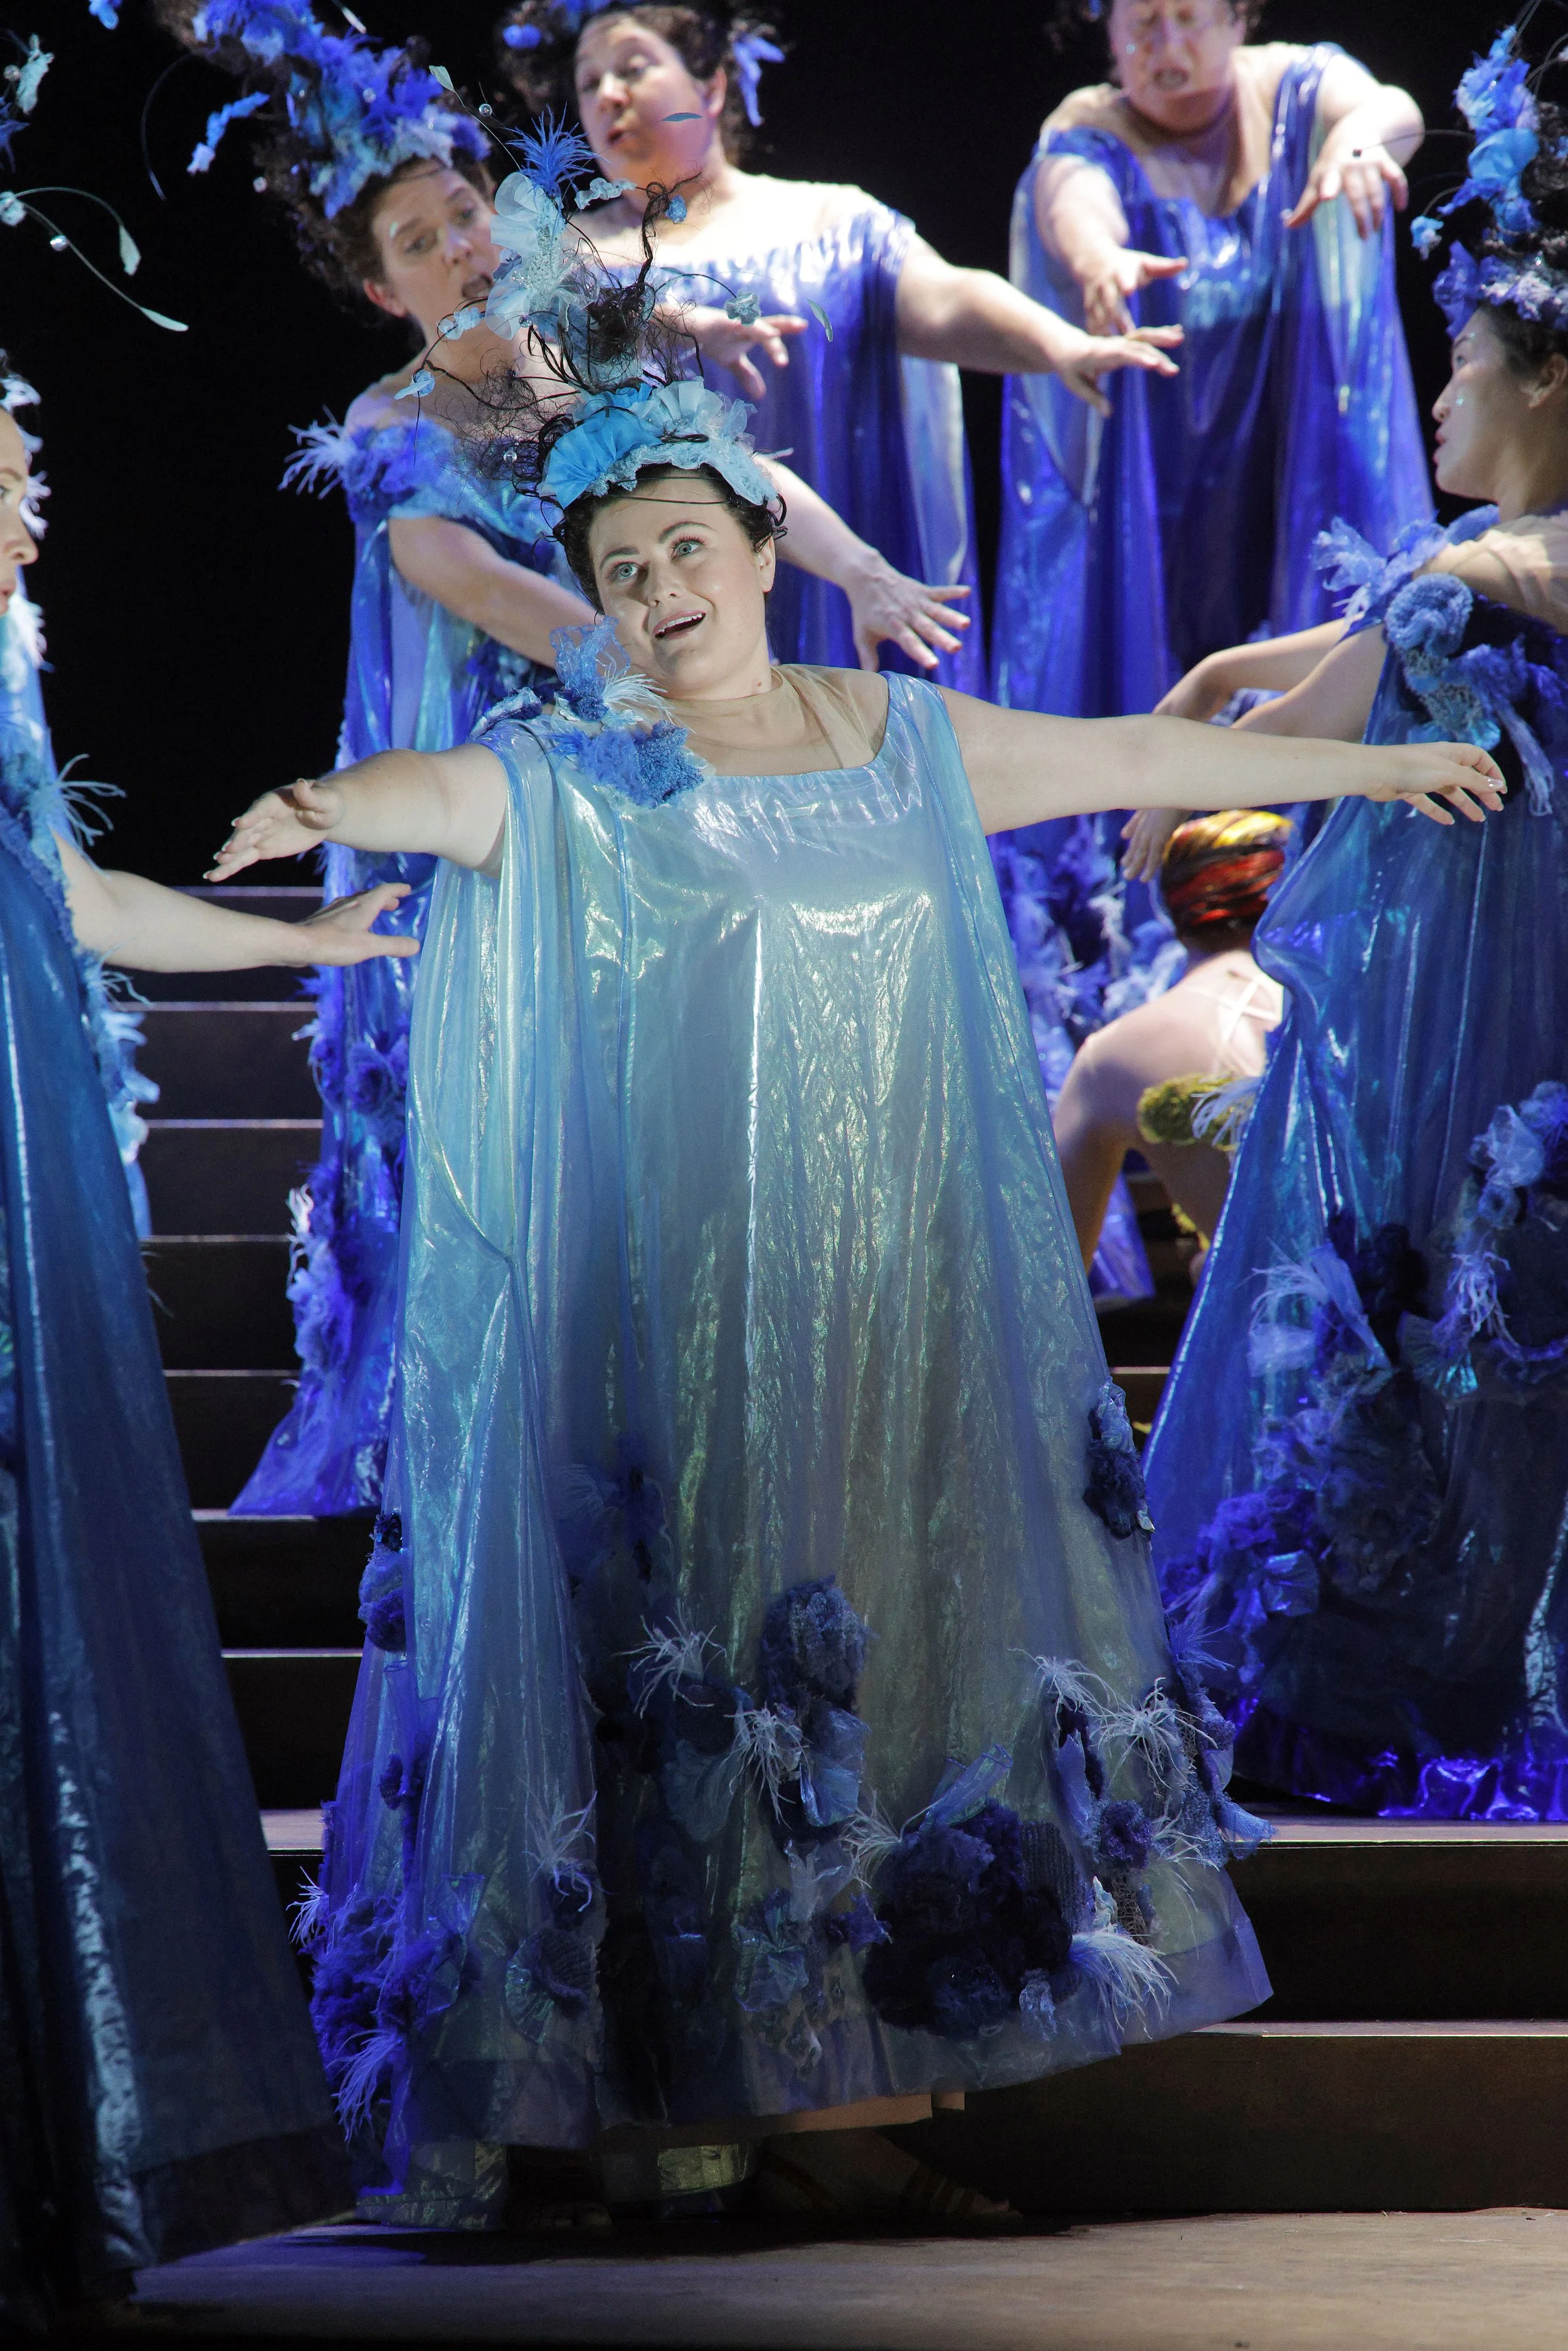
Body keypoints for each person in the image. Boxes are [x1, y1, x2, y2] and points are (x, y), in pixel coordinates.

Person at [208, 155, 1501, 2224]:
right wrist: (322, 801)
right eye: (620, 567)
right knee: (708, 1652)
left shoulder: (893, 731)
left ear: (755, 545)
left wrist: (1378, 771)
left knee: (877, 1650)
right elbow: (451, 791)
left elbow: (1119, 760)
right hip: (681, 1301)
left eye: (685, 550)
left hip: (888, 1289)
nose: (657, 591)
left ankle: (849, 2078)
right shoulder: (596, 766)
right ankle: (703, 2091)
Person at [165, 0, 985, 1517]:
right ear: (377, 283)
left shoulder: (583, 366)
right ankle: (471, 1420)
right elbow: (467, 578)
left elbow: (734, 476)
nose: (460, 251)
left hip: (620, 766)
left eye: (467, 216)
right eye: (419, 241)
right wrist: (616, 660)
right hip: (484, 785)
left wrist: (863, 572)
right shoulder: (389, 417)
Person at [0, 390, 420, 2327]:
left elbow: (74, 905)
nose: (36, 485)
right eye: (14, 462)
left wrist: (309, 948)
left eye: (35, 455)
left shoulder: (8, 655)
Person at [1143, 30, 1568, 1821]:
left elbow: (1280, 744)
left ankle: (1382, 1712)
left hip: (1445, 1046)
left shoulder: (1466, 580)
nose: (1440, 391)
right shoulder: (1501, 573)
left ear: (1542, 379)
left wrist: (1155, 773)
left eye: (1462, 359)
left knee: (1401, 1346)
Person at [987, 0, 1432, 1295]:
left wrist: (1356, 144)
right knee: (1144, 672)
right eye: (1134, 28)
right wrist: (1095, 262)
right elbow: (1068, 197)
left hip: (1297, 456)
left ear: (1237, 16)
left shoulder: (1297, 89)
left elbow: (1383, 105)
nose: (1161, 49)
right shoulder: (1091, 126)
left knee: (1308, 655)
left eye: (1186, 18)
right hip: (1160, 485)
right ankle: (1152, 942)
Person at [495, 0, 1188, 695]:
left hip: (854, 596)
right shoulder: (567, 264)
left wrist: (1061, 346)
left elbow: (946, 297)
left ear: (712, 85)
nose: (610, 95)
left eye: (634, 68)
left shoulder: (830, 222)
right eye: (589, 84)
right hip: (674, 620)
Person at [1053, 810, 1290, 1271]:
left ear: (1170, 905)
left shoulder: (1114, 1052)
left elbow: (1050, 1276)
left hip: (1248, 1326)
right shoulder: (1357, 1003)